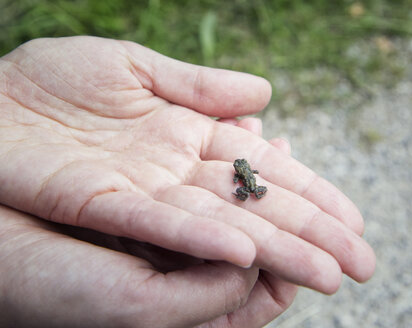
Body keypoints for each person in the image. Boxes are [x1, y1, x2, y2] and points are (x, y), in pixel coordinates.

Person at [0, 36, 375, 327]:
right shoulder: (241, 172)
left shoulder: (243, 172)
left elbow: (246, 172)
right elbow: (242, 171)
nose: (241, 167)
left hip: (250, 186)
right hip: (248, 186)